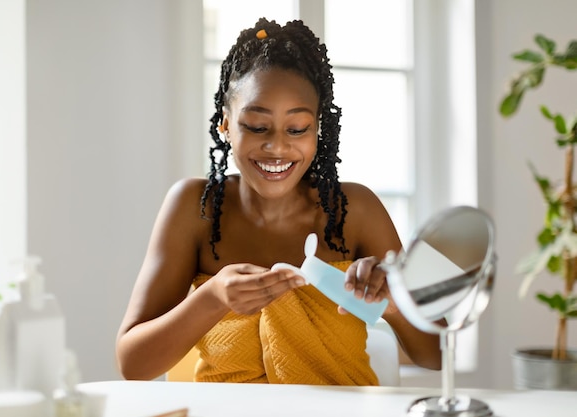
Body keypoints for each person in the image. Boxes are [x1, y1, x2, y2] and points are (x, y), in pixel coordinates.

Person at [116, 17, 441, 385]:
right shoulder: (196, 207)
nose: (277, 147)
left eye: (297, 129)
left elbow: (436, 354)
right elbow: (133, 364)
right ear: (225, 123)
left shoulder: (356, 209)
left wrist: (394, 302)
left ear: (318, 128)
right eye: (257, 127)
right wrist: (213, 298)